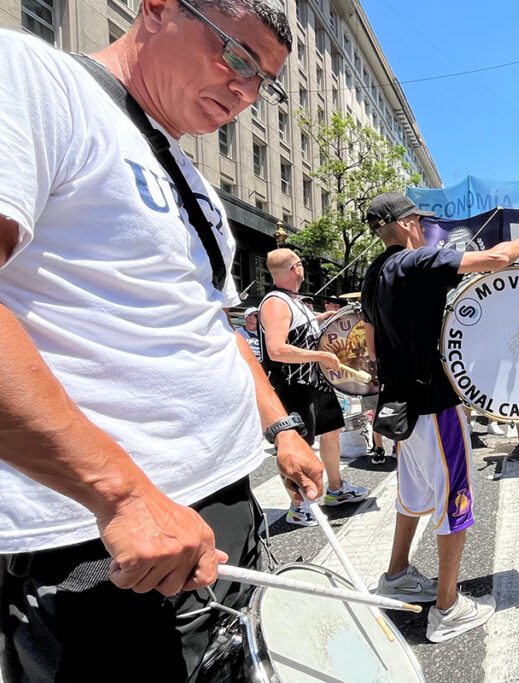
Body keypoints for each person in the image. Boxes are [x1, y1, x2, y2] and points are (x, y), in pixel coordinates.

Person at [0, 3, 327, 678]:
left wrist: (282, 428)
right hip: (106, 541)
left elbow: (215, 326)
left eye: (262, 80)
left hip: (218, 506)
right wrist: (120, 495)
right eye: (238, 56)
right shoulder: (33, 77)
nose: (246, 91)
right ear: (156, 8)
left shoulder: (194, 180)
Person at [361, 192, 519, 642]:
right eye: (419, 222)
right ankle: (448, 608)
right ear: (407, 224)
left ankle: (396, 575)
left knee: (412, 495)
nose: (423, 229)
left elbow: (372, 347)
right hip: (434, 405)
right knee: (455, 498)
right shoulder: (417, 261)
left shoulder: (374, 274)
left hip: (400, 409)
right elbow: (495, 260)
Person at [259, 248, 369, 525]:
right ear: (296, 269)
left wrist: (323, 319)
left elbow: (300, 333)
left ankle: (336, 489)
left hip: (315, 382)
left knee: (332, 433)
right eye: (301, 264)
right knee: (299, 445)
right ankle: (299, 506)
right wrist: (320, 356)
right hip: (292, 385)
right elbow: (276, 350)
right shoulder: (276, 303)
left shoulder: (294, 301)